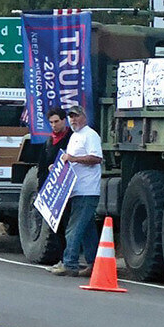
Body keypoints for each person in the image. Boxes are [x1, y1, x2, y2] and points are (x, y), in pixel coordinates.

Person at [50, 105, 103, 278]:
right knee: (87, 228)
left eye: (76, 116)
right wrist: (58, 167)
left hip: (87, 190)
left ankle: (69, 263)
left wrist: (72, 159)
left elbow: (96, 158)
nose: (73, 119)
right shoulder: (74, 137)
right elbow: (70, 162)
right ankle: (94, 263)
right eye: (70, 117)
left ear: (84, 117)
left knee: (74, 228)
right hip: (75, 190)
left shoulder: (90, 135)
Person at [37, 107, 72, 188]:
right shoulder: (48, 142)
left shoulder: (73, 137)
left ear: (64, 120)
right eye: (51, 122)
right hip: (50, 184)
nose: (54, 125)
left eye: (56, 121)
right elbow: (41, 167)